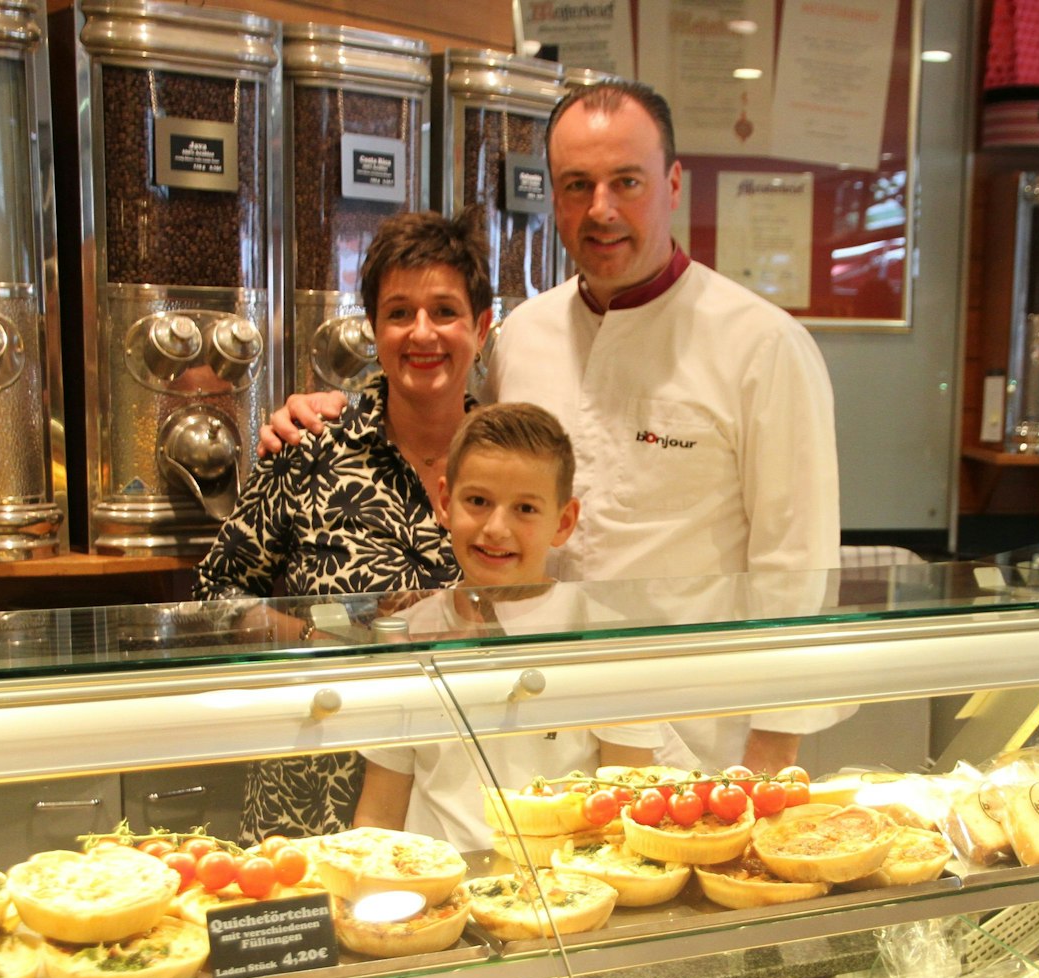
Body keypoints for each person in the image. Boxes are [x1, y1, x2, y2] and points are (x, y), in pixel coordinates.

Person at [260, 80, 842, 774]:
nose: (601, 209)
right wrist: (326, 412)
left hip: (700, 744)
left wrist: (771, 758)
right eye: (576, 185)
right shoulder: (524, 334)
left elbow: (797, 566)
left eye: (627, 181)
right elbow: (449, 437)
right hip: (538, 733)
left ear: (674, 183)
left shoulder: (762, 347)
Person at [193, 208, 494, 840]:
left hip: (453, 808)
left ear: (482, 327)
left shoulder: (506, 470)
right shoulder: (309, 448)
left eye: (444, 311)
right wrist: (312, 642)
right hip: (307, 799)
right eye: (398, 312)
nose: (422, 333)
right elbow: (215, 596)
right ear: (374, 329)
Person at [353, 403, 696, 851]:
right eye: (478, 501)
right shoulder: (406, 637)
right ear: (444, 502)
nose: (496, 527)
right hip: (432, 882)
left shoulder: (605, 640)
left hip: (566, 883)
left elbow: (627, 813)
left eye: (525, 508)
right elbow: (380, 813)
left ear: (564, 522)